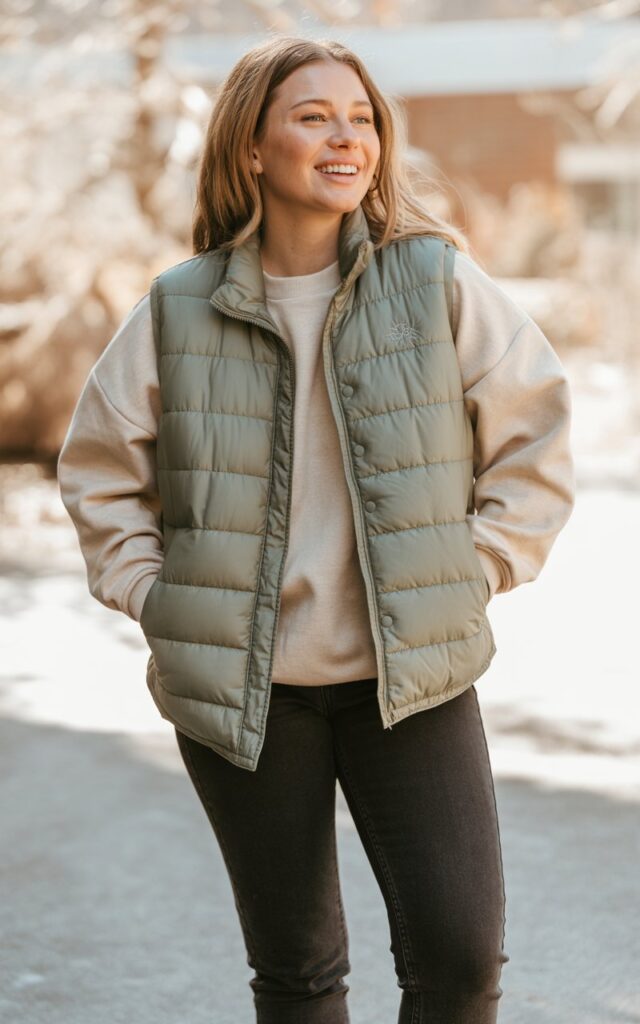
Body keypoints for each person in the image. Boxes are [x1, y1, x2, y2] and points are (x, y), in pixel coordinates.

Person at [57, 34, 575, 1024]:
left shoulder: (432, 282)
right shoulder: (180, 309)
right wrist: (154, 596)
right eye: (313, 116)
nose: (349, 139)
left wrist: (475, 565)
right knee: (297, 977)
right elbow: (99, 474)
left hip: (408, 677)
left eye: (362, 117)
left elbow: (534, 435)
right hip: (245, 697)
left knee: (460, 960)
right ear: (251, 147)